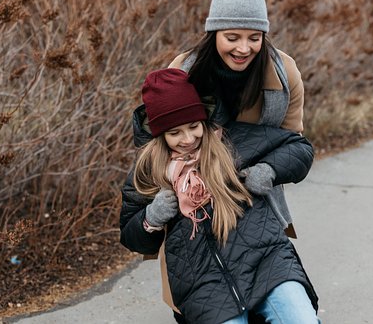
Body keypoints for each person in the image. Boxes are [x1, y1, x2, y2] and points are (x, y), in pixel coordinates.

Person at [120, 68, 319, 323]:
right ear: (159, 134)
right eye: (174, 133)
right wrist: (151, 218)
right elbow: (131, 235)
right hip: (202, 285)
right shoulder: (147, 171)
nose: (188, 139)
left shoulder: (232, 140)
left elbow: (299, 147)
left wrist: (268, 170)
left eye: (193, 126)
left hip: (267, 261)